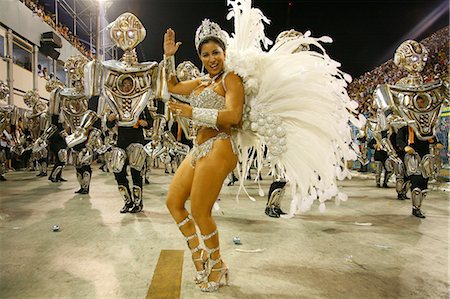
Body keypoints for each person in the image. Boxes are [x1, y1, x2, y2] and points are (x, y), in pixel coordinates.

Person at [164, 20, 244, 292]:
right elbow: (173, 85)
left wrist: (192, 113)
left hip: (221, 144)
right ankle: (199, 256)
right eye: (206, 54)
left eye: (216, 52)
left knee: (199, 210)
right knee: (174, 202)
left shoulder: (230, 79)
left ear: (224, 53)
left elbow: (234, 116)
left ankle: (218, 265)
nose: (212, 59)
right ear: (200, 57)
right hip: (199, 148)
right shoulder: (201, 81)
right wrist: (168, 57)